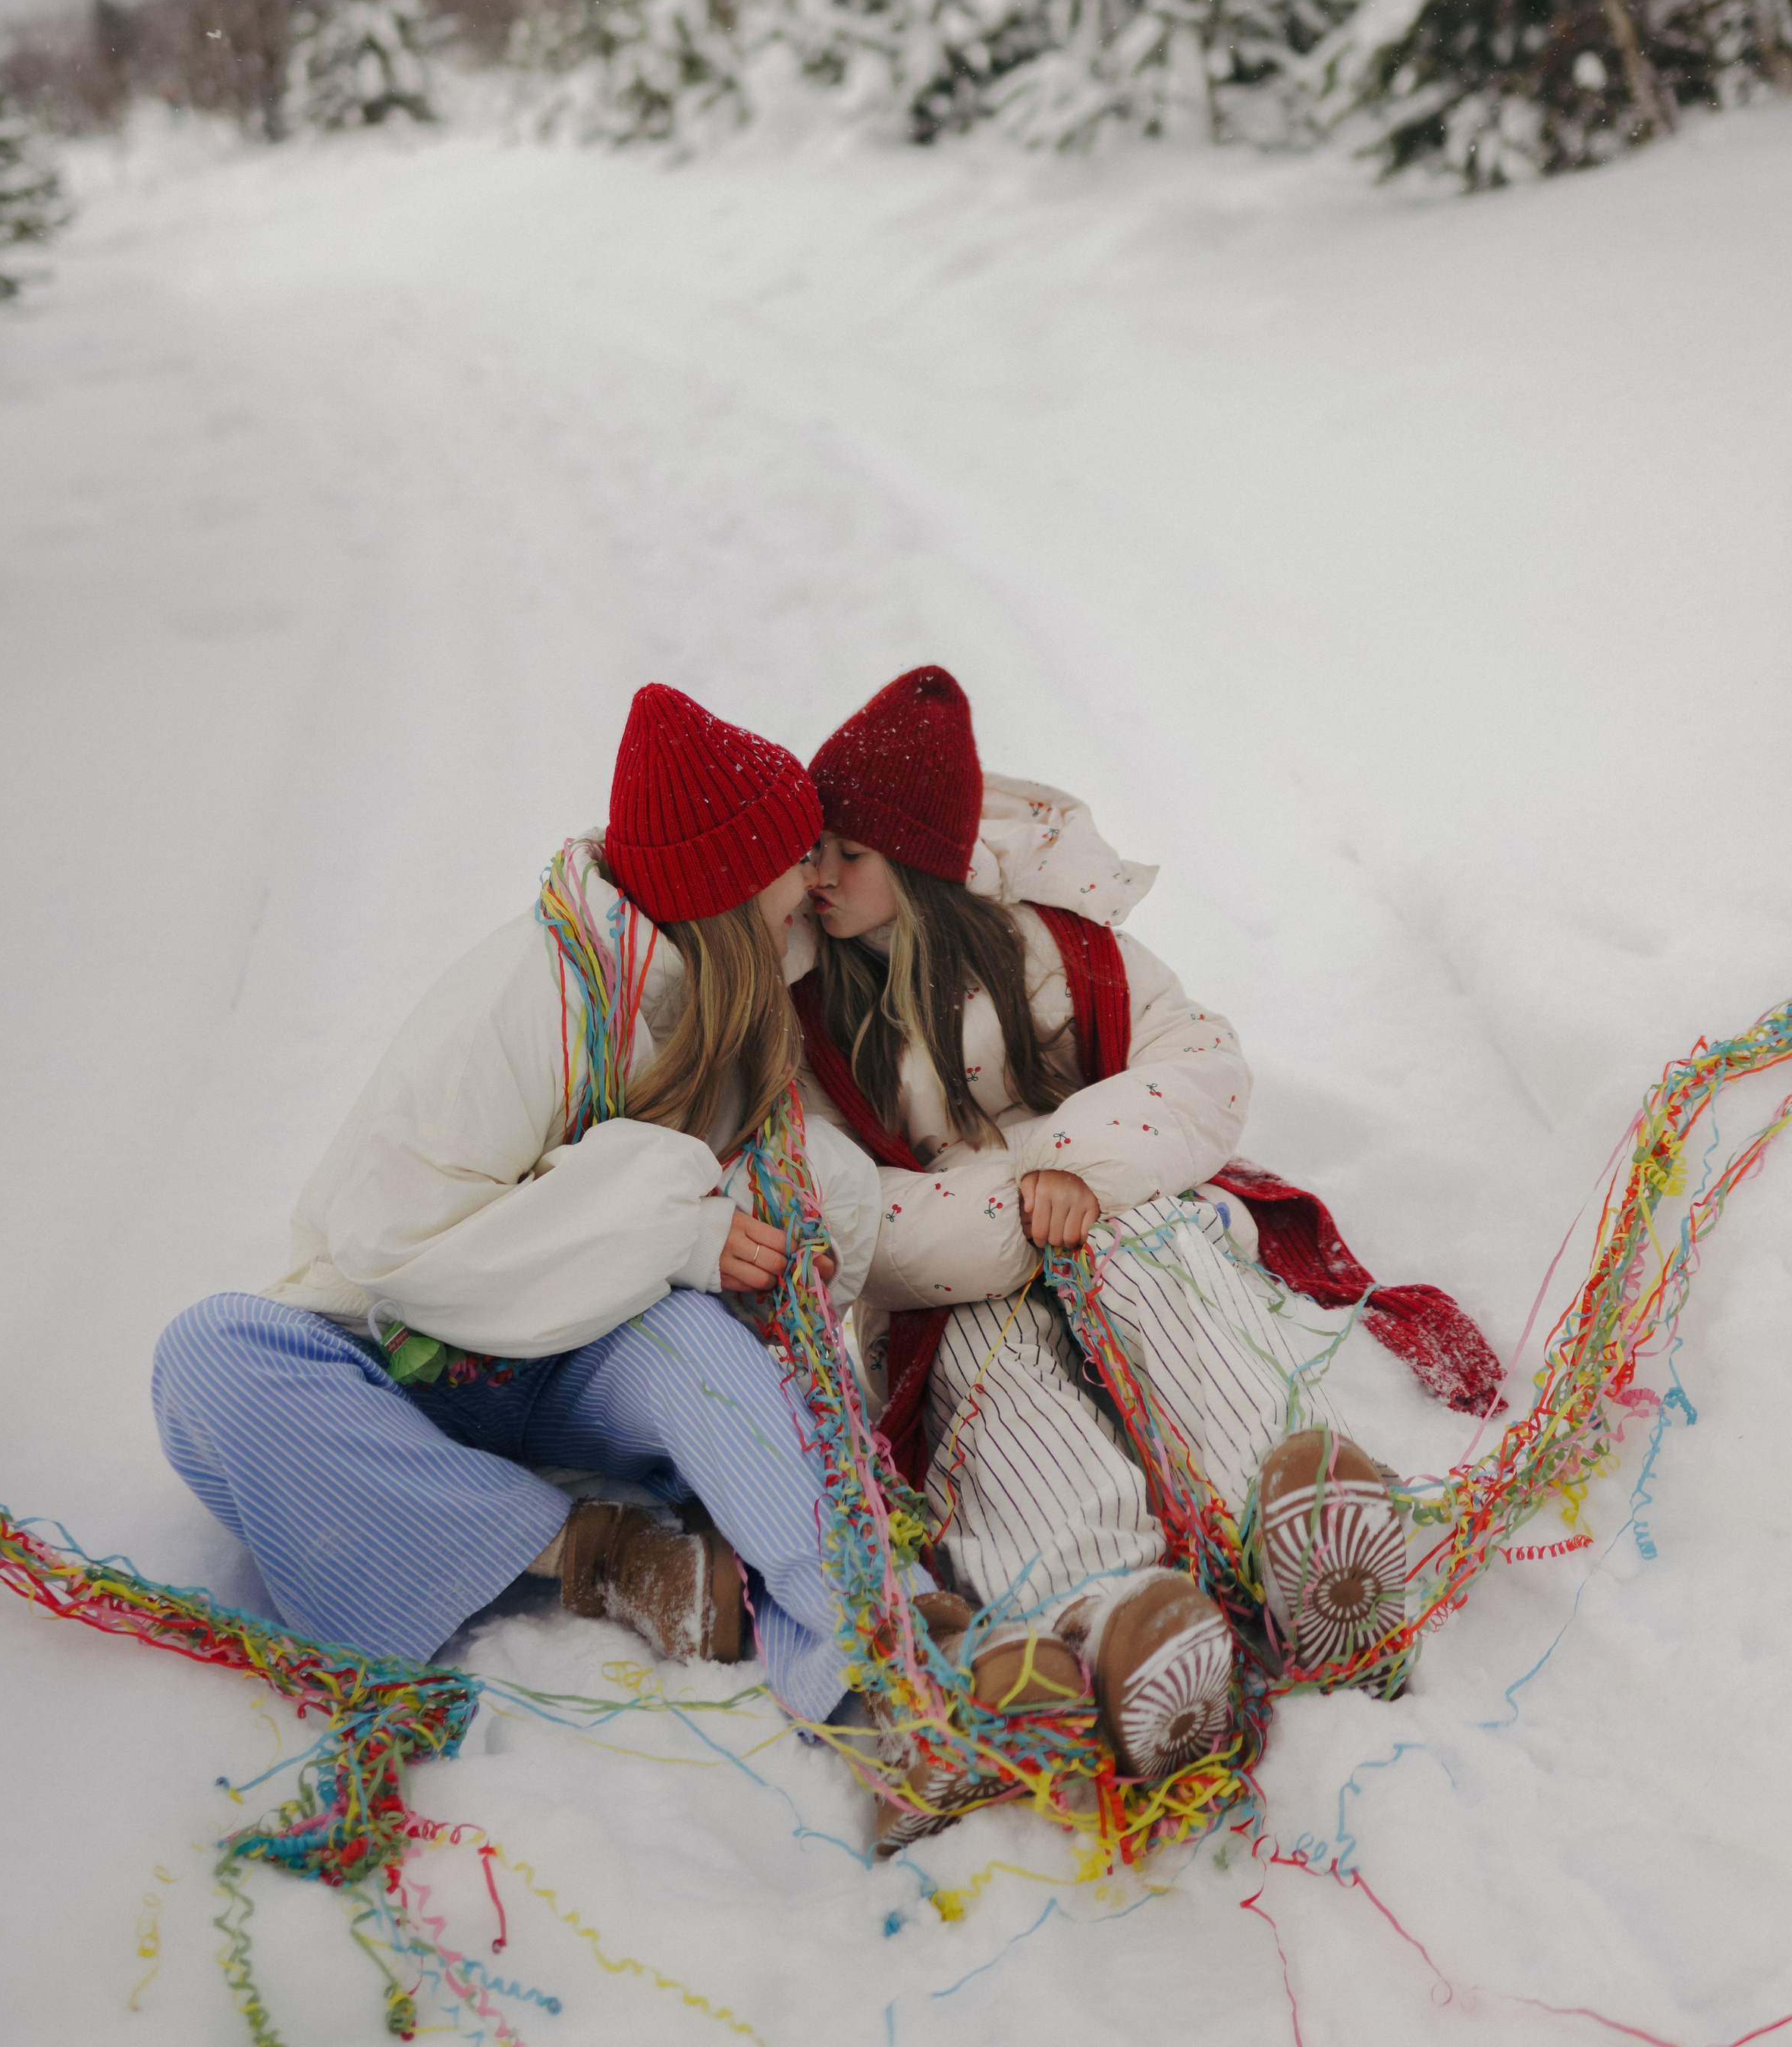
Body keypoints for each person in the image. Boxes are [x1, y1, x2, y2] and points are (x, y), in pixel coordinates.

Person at [152, 683, 883, 1728]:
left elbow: (930, 882)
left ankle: (864, 1650)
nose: (817, 878)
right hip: (404, 1356)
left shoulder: (758, 979)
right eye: (795, 857)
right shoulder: (528, 992)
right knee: (208, 1355)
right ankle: (593, 1555)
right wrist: (676, 1226)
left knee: (695, 1344)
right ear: (724, 887)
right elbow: (394, 1242)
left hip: (575, 1360)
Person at [796, 665, 1407, 1838]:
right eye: (816, 850)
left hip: (1101, 1203)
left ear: (920, 864)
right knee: (995, 1386)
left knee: (1155, 1269)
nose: (819, 878)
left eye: (849, 855)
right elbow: (840, 1201)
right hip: (944, 1270)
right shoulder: (807, 1009)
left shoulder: (1056, 950)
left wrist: (1075, 1166)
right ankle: (1111, 1608)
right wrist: (1003, 1213)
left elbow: (1200, 1063)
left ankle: (1284, 1520)